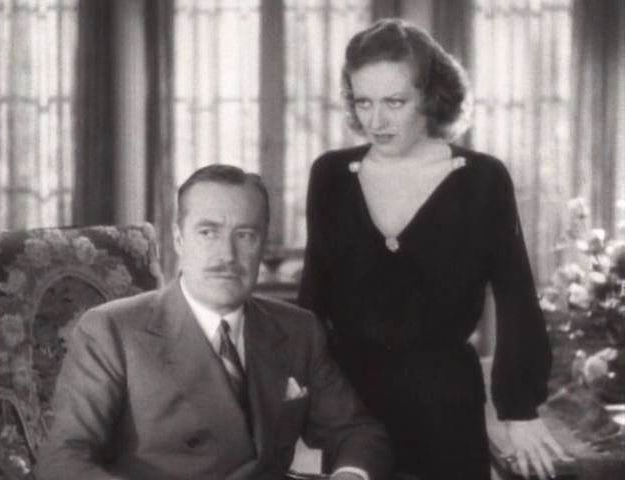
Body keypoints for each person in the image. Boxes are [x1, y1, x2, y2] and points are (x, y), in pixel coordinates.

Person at [298, 18, 570, 480]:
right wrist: (302, 396)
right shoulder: (329, 176)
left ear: (430, 96)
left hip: (446, 409)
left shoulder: (483, 179)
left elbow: (517, 299)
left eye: (394, 102)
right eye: (363, 101)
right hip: (353, 411)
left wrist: (519, 408)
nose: (375, 121)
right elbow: (311, 303)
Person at [35, 165, 392, 480]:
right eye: (208, 232)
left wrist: (350, 475)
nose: (227, 255)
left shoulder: (298, 329)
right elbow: (63, 460)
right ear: (179, 239)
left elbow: (358, 431)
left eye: (245, 235)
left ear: (263, 244)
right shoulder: (112, 330)